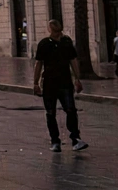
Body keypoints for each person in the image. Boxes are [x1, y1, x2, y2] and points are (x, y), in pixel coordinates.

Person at [33, 20, 88, 152]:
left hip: (59, 83)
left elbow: (72, 61)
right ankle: (62, 140)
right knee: (61, 112)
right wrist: (36, 83)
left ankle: (67, 140)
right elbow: (39, 63)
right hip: (54, 83)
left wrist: (77, 79)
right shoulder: (50, 43)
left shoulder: (63, 43)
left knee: (63, 111)